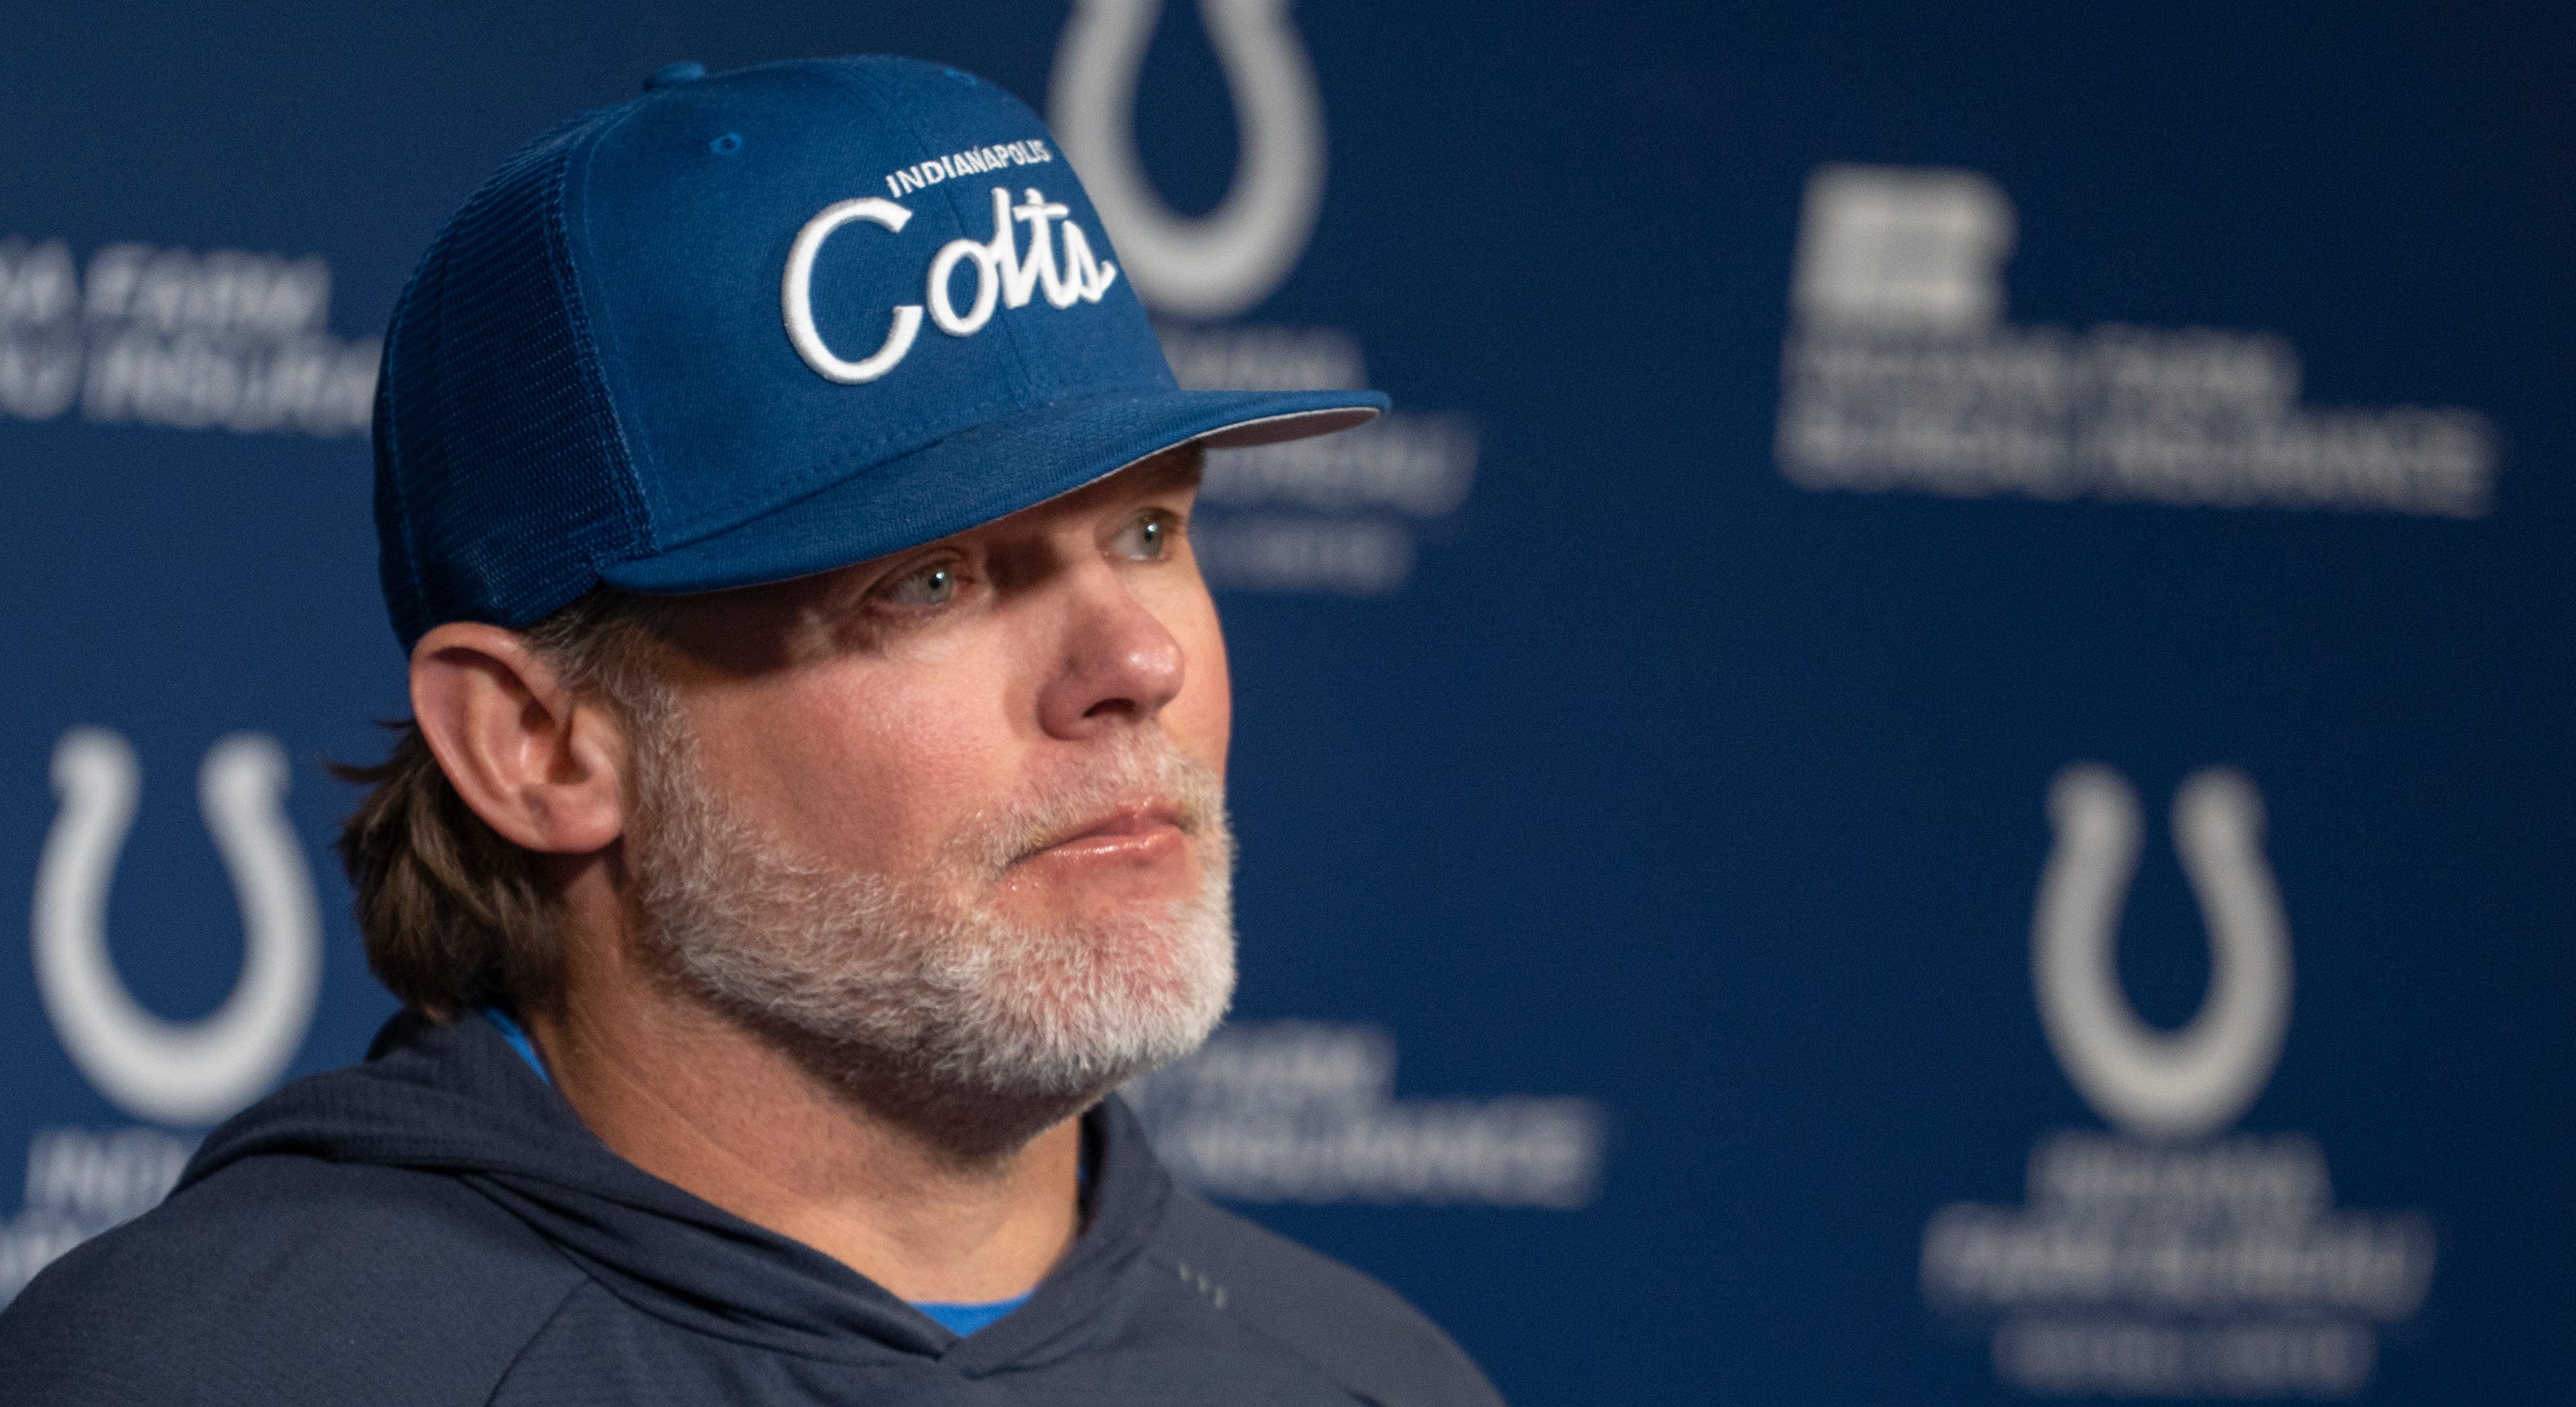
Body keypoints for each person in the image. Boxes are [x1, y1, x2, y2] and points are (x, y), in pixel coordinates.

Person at [0, 56, 1502, 1406]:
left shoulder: (1372, 1378)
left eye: (1152, 529)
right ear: (543, 743)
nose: (1134, 659)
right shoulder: (215, 1370)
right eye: (929, 580)